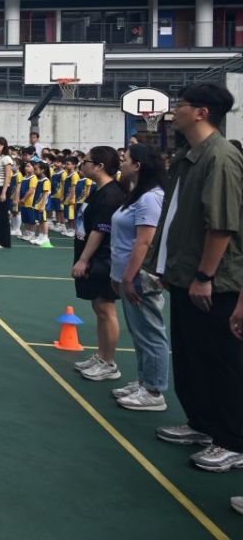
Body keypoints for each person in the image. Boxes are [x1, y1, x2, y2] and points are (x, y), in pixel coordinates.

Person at [147, 83, 243, 474]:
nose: (174, 111)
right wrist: (169, 268)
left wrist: (205, 275)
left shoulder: (220, 157)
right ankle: (202, 423)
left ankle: (233, 440)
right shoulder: (188, 156)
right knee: (191, 357)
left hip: (214, 282)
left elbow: (221, 225)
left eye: (181, 105)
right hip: (185, 275)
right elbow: (175, 220)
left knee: (222, 361)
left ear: (202, 112)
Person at [110, 144, 169, 411]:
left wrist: (129, 277)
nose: (121, 163)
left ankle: (154, 391)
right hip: (127, 273)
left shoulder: (150, 198)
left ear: (138, 165)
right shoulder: (137, 195)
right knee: (139, 332)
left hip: (139, 276)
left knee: (150, 332)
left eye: (126, 159)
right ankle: (145, 381)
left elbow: (144, 242)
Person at [70, 147, 126, 382]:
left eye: (87, 161)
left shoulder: (110, 195)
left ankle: (109, 362)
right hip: (94, 257)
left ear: (100, 166)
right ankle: (102, 355)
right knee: (99, 307)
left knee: (106, 308)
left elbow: (99, 231)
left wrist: (84, 260)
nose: (82, 165)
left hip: (103, 259)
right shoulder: (99, 191)